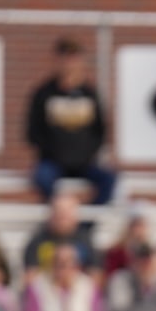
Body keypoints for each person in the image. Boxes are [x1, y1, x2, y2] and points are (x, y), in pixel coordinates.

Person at [25, 38, 115, 204]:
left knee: (110, 180)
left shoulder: (90, 94)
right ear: (56, 61)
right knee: (42, 177)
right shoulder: (43, 94)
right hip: (52, 163)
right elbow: (32, 131)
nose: (69, 64)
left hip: (85, 164)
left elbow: (100, 130)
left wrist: (85, 153)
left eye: (73, 59)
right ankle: (60, 216)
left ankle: (85, 226)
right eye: (65, 59)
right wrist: (55, 151)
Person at [22, 191, 97, 276]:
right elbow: (30, 275)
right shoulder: (37, 242)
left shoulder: (86, 241)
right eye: (59, 212)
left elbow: (96, 274)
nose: (62, 217)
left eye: (66, 213)